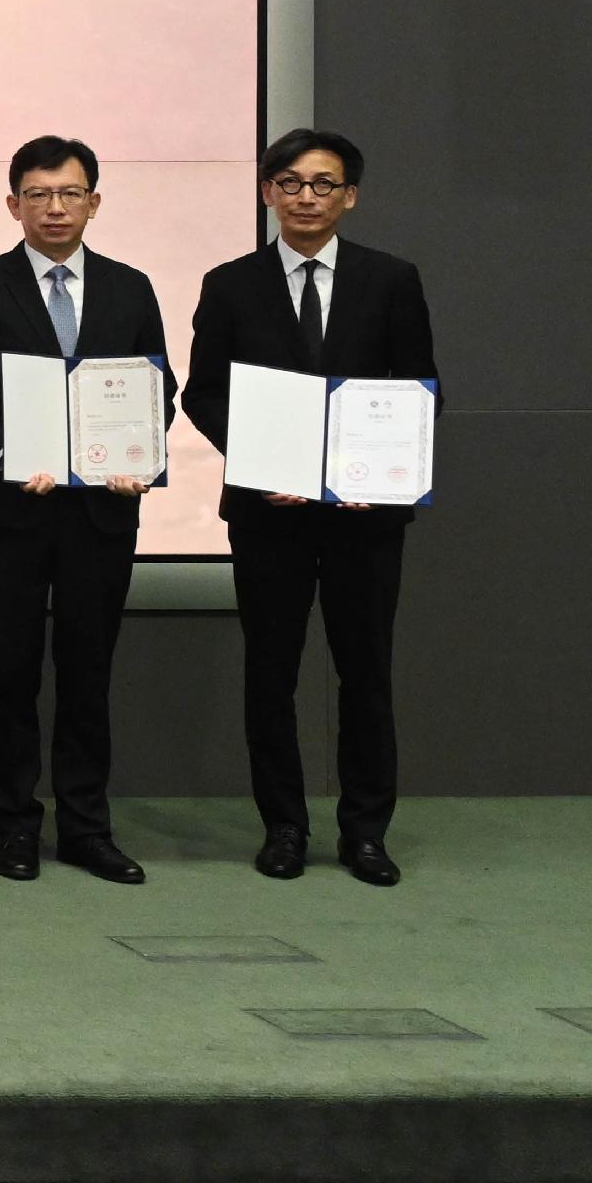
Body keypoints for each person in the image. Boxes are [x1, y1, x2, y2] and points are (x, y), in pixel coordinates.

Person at [185, 128, 439, 886]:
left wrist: (382, 473)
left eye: (323, 184)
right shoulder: (230, 283)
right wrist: (265, 464)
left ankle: (365, 832)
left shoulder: (391, 279)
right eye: (290, 183)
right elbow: (202, 393)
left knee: (366, 674)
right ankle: (284, 827)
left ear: (350, 196)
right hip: (270, 514)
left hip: (366, 516)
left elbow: (419, 387)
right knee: (272, 674)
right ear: (268, 192)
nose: (306, 197)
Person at [0, 134, 167, 885]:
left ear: (94, 201)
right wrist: (2, 455)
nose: (55, 208)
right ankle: (15, 825)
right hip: (9, 511)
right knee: (9, 670)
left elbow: (155, 387)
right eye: (38, 194)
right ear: (14, 204)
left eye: (70, 194)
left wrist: (139, 459)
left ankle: (88, 828)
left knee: (88, 671)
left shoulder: (132, 288)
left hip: (101, 511)